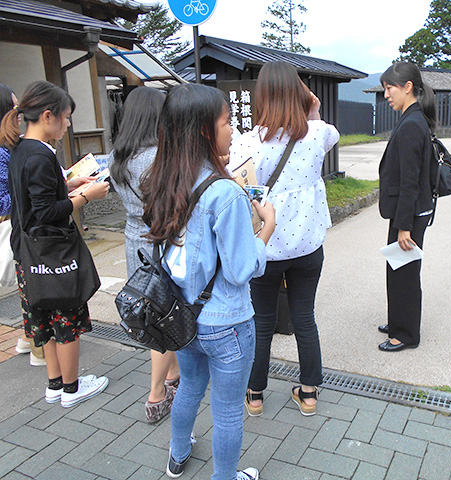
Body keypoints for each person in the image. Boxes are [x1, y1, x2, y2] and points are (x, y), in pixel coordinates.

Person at [140, 83, 274, 480]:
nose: (232, 129)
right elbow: (240, 269)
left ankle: (177, 455)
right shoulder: (225, 194)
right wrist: (266, 227)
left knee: (190, 389)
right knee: (229, 410)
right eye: (226, 122)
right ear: (203, 130)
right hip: (227, 322)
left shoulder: (162, 180)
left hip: (181, 316)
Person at [230, 61, 338, 417]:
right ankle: (308, 394)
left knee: (261, 321)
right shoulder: (317, 135)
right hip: (308, 247)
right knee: (304, 317)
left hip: (265, 247)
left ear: (261, 96)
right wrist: (313, 106)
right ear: (299, 93)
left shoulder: (247, 143)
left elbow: (237, 184)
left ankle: (255, 395)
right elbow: (325, 124)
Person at [2, 80, 110, 406]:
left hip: (28, 251)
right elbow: (46, 211)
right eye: (65, 118)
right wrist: (83, 196)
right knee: (65, 320)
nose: (67, 125)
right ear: (48, 116)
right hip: (52, 253)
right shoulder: (38, 155)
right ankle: (73, 388)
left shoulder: (20, 149)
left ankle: (55, 384)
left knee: (42, 318)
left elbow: (34, 198)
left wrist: (68, 182)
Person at [107, 87, 180, 423]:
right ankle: (156, 393)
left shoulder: (116, 156)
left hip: (134, 238)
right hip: (159, 242)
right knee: (161, 316)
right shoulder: (158, 157)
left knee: (154, 308)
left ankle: (174, 376)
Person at [377, 62, 437, 352]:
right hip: (407, 210)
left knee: (405, 273)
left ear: (408, 87)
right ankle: (399, 320)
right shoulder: (412, 118)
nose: (386, 94)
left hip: (409, 213)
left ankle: (406, 334)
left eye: (390, 88)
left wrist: (404, 227)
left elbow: (410, 182)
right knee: (398, 268)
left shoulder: (412, 124)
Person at [0, 84, 45, 366]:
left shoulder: (11, 146)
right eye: (14, 108)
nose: (19, 114)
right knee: (34, 286)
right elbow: (2, 201)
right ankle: (41, 351)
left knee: (27, 284)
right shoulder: (3, 152)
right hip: (14, 228)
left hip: (18, 227)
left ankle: (29, 339)